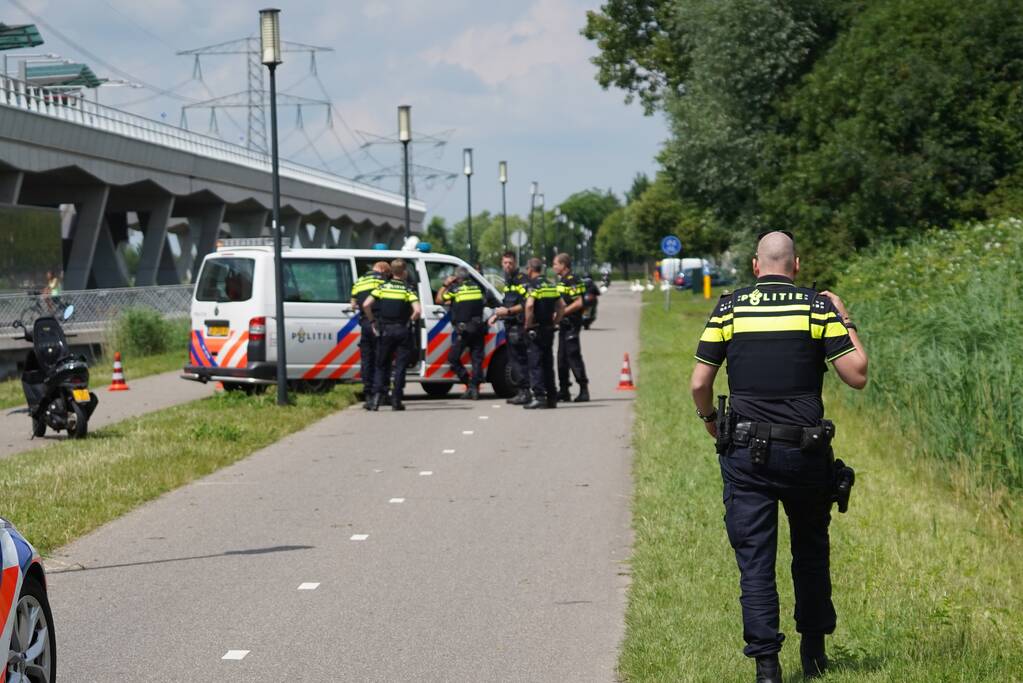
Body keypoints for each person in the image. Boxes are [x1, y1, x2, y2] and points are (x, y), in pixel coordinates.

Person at [689, 231, 869, 682]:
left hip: (745, 453)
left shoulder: (728, 308)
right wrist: (845, 317)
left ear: (755, 266)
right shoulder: (817, 307)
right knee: (810, 550)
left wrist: (710, 419)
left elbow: (698, 382)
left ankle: (767, 668)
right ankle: (814, 654)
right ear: (797, 265)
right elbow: (857, 375)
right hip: (805, 452)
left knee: (755, 561)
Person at [361, 258, 421, 411]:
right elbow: (418, 311)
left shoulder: (382, 287)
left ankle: (375, 400)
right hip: (402, 330)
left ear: (392, 272)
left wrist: (372, 321)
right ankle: (396, 400)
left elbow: (366, 304)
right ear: (405, 272)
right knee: (400, 366)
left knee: (381, 365)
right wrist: (410, 321)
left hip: (385, 330)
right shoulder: (408, 289)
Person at [436, 267, 487, 400]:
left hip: (463, 330)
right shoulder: (477, 287)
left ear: (457, 278)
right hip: (478, 328)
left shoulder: (455, 289)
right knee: (476, 360)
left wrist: (445, 284)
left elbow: (439, 300)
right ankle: (475, 389)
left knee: (453, 358)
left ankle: (468, 383)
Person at [488, 251, 530, 405]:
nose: (507, 266)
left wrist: (508, 312)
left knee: (520, 360)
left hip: (519, 325)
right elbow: (507, 303)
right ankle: (522, 391)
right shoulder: (509, 281)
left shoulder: (521, 280)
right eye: (505, 263)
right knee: (514, 360)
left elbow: (527, 303)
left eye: (510, 263)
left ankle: (525, 392)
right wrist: (497, 315)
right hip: (510, 324)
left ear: (515, 263)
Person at [523, 257, 564, 410]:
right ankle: (552, 398)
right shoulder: (550, 285)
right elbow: (561, 306)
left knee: (535, 363)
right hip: (548, 328)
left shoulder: (533, 285)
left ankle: (539, 397)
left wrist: (528, 324)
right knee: (548, 363)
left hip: (536, 328)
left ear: (530, 269)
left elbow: (529, 305)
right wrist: (555, 322)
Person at [350, 261, 391, 409]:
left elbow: (353, 304)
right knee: (382, 359)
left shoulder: (359, 281)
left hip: (365, 323)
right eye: (387, 273)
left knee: (367, 359)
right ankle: (381, 393)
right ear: (383, 270)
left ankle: (368, 394)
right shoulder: (382, 280)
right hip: (379, 322)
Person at [552, 253, 590, 402]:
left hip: (571, 324)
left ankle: (584, 390)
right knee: (561, 359)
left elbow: (579, 302)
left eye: (555, 264)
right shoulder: (562, 280)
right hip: (563, 325)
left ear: (563, 265)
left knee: (573, 357)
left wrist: (561, 313)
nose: (554, 267)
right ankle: (564, 390)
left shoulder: (572, 280)